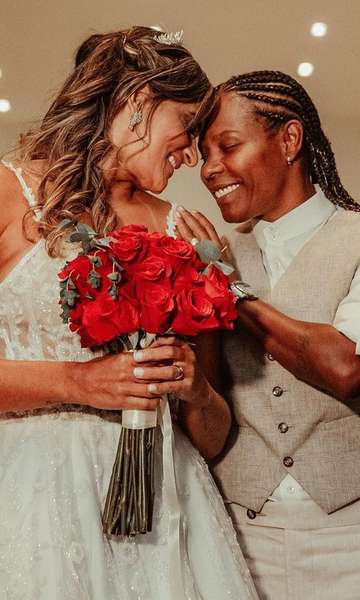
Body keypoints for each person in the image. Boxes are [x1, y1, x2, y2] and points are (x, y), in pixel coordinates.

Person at [0, 29, 259, 599]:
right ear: (139, 103)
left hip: (168, 514)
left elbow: (214, 439)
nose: (193, 154)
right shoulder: (10, 192)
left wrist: (194, 390)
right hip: (38, 502)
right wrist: (77, 381)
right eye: (188, 127)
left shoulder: (185, 232)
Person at [174, 70, 360, 600]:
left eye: (227, 146)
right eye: (203, 154)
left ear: (290, 139)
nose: (210, 171)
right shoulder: (216, 258)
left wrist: (229, 291)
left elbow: (346, 368)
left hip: (350, 533)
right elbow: (207, 414)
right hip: (240, 533)